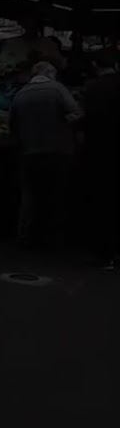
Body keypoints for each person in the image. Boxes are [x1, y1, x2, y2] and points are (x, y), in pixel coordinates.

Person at [10, 61, 81, 249]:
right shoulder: (57, 89)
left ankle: (24, 236)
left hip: (29, 153)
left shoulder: (20, 94)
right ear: (50, 73)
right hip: (59, 151)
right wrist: (63, 126)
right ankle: (54, 238)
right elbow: (76, 114)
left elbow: (13, 128)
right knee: (57, 194)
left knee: (29, 195)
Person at [82, 51, 120, 267]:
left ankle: (105, 254)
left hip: (99, 153)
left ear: (95, 65)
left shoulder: (93, 88)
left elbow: (88, 119)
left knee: (102, 203)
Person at [0, 14, 64, 73]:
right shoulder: (11, 43)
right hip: (16, 83)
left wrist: (44, 59)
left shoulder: (49, 45)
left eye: (35, 22)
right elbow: (0, 67)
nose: (31, 25)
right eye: (28, 22)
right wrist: (18, 66)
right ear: (22, 23)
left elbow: (61, 65)